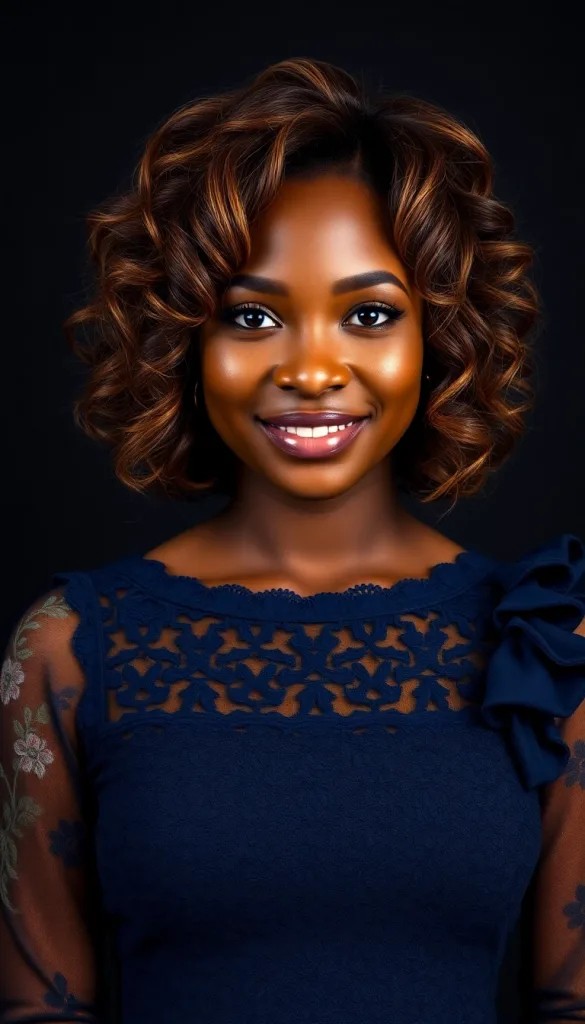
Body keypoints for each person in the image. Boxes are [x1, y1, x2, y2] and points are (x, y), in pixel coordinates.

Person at [1, 56, 584, 1024]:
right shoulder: (67, 649)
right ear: (184, 340)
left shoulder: (547, 647)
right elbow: (36, 1009)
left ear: (439, 337)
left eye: (368, 315)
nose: (312, 368)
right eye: (254, 316)